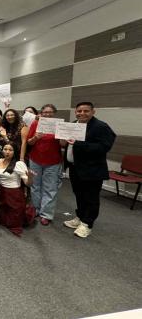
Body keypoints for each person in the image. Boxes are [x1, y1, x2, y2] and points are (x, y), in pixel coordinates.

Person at [62, 102, 116, 238]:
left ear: (93, 112)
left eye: (86, 111)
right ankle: (80, 217)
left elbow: (104, 147)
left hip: (92, 169)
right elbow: (68, 144)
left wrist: (79, 143)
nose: (82, 113)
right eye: (79, 111)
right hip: (75, 168)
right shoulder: (74, 124)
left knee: (91, 197)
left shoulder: (100, 126)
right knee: (79, 194)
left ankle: (87, 224)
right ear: (75, 112)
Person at [27, 104, 63, 225]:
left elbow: (63, 144)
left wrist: (64, 138)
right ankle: (36, 209)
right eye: (45, 112)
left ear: (54, 113)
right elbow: (29, 142)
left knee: (50, 188)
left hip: (53, 162)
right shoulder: (35, 124)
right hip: (35, 160)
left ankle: (46, 214)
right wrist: (36, 137)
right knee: (35, 186)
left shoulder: (59, 125)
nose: (47, 114)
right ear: (41, 113)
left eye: (50, 112)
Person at [0, 143, 32, 237]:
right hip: (1, 193)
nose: (7, 152)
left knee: (13, 223)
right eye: (5, 149)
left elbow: (28, 183)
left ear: (14, 152)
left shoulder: (19, 164)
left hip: (14, 195)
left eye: (10, 150)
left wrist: (31, 177)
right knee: (2, 220)